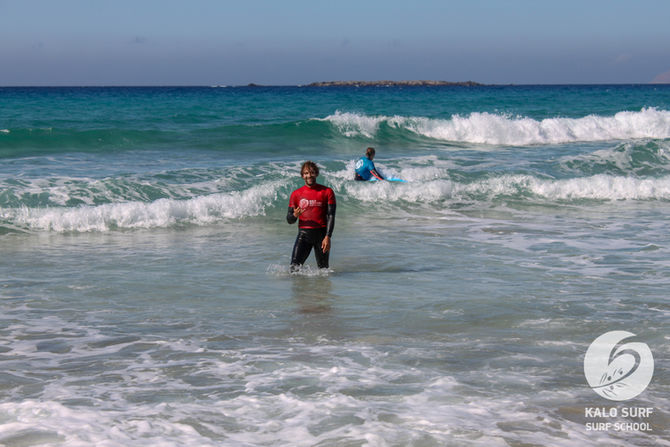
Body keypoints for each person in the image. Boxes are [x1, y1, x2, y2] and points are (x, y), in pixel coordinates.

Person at [287, 161, 336, 270]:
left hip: (322, 235)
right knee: (293, 269)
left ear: (317, 174)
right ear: (302, 175)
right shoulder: (296, 194)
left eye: (312, 172)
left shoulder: (327, 192)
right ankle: (299, 287)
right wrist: (294, 215)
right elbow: (289, 220)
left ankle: (322, 287)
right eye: (306, 173)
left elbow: (331, 216)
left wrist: (328, 236)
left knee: (323, 270)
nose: (309, 175)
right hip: (303, 235)